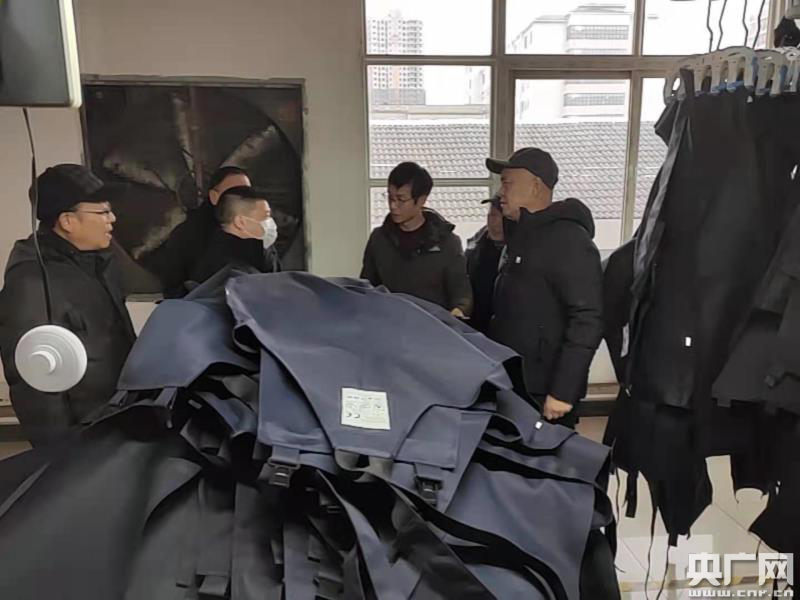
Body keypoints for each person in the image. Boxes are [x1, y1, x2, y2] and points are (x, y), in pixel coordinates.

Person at [0, 164, 136, 446]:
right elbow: (32, 383)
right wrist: (58, 453)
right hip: (82, 439)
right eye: (102, 212)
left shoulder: (100, 263)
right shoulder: (33, 281)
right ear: (67, 221)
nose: (112, 219)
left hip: (117, 420)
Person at [486, 148, 603, 426]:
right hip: (512, 382)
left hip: (543, 391)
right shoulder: (520, 236)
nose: (501, 193)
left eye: (507, 184)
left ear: (536, 186)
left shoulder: (568, 240)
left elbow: (587, 318)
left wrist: (563, 391)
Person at [361, 162, 472, 317]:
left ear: (421, 200)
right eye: (390, 197)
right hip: (388, 324)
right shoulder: (379, 239)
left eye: (401, 199)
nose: (393, 206)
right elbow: (366, 288)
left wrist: (456, 313)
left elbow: (461, 294)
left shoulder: (447, 243)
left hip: (432, 326)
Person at [140, 165, 251, 297]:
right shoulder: (189, 234)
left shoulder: (258, 227)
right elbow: (176, 285)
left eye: (247, 193)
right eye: (234, 193)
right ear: (214, 196)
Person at [187, 186, 280, 286]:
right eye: (266, 216)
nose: (271, 222)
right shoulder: (224, 272)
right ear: (240, 222)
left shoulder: (260, 252)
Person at [465, 194, 505, 334]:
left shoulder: (521, 249)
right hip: (476, 326)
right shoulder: (476, 244)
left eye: (500, 216)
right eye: (491, 215)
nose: (493, 222)